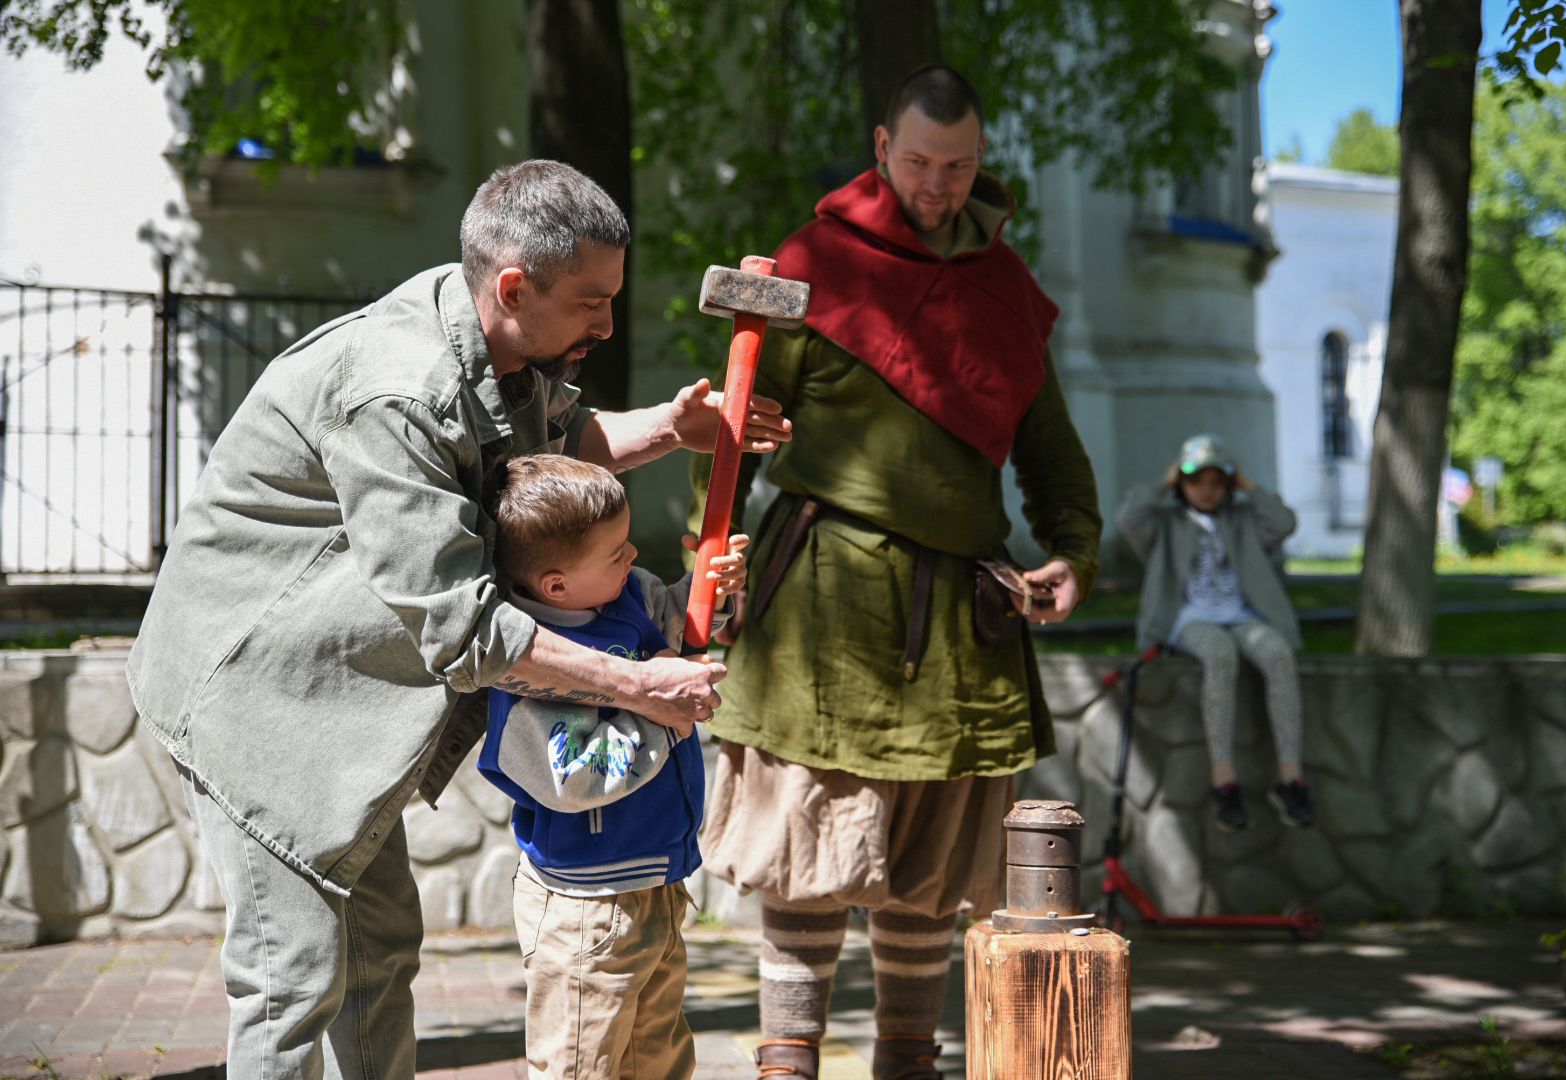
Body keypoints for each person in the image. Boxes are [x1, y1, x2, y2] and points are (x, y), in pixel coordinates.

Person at [125, 159, 791, 1079]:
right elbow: (465, 631)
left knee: (379, 958)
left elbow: (548, 451)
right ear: (514, 288)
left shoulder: (495, 343)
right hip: (254, 696)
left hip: (330, 703)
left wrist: (675, 429)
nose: (607, 323)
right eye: (591, 302)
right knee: (293, 979)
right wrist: (639, 685)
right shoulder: (399, 391)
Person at [688, 66, 1102, 1080]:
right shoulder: (812, 264)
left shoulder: (1003, 289)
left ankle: (907, 1064)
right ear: (882, 149)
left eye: (958, 166)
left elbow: (1048, 445)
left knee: (932, 861)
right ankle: (787, 1066)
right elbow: (738, 423)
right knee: (806, 849)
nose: (937, 184)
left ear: (979, 160)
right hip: (821, 599)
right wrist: (712, 555)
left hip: (960, 609)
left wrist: (1074, 548)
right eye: (919, 162)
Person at [478, 453, 746, 1079]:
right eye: (616, 552)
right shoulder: (533, 670)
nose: (633, 556)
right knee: (582, 1064)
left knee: (658, 1059)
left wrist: (713, 587)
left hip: (656, 882)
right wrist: (664, 716)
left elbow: (679, 625)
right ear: (556, 586)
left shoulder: (627, 595)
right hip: (587, 907)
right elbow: (578, 776)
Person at [1116, 433, 1317, 832]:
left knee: (1278, 654)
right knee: (1220, 654)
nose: (1206, 490)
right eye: (1195, 481)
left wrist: (1246, 485)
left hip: (1241, 614)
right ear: (1181, 482)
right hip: (1187, 618)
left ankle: (1290, 778)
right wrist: (1165, 483)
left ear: (1228, 484)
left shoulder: (1241, 518)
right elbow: (1128, 518)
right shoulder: (1166, 522)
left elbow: (1284, 522)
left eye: (1216, 482)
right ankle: (1223, 780)